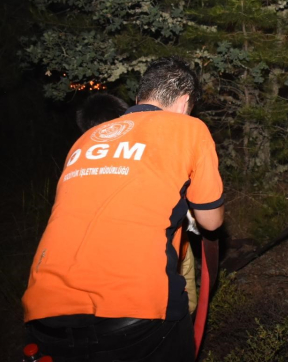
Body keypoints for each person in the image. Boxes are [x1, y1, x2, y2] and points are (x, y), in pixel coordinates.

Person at [22, 57, 225, 361]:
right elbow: (211, 222)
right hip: (136, 315)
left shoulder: (85, 140)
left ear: (140, 96)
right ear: (184, 103)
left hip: (45, 316)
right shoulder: (188, 128)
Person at [76, 92, 200, 316]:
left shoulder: (79, 165)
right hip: (159, 257)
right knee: (180, 309)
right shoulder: (144, 153)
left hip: (159, 253)